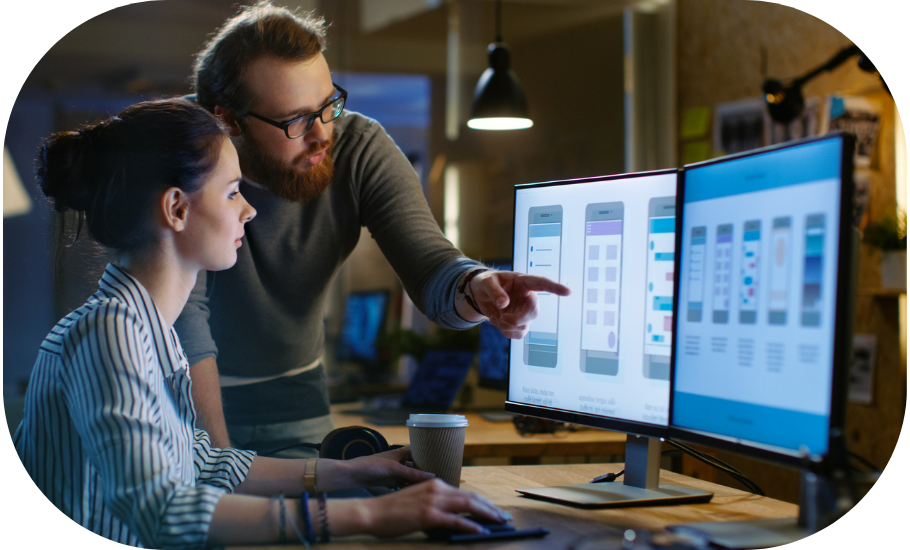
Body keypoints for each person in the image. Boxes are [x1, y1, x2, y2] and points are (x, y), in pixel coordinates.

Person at [14, 98, 510, 548]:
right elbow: (160, 509)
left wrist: (351, 471)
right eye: (232, 193)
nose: (249, 210)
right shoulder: (109, 334)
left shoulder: (145, 329)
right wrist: (370, 514)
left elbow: (206, 465)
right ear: (177, 208)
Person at [176, 0, 570, 454]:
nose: (323, 133)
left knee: (332, 515)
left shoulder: (360, 148)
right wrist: (221, 464)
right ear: (227, 120)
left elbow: (429, 263)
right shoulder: (176, 150)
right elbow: (186, 323)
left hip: (294, 395)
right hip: (181, 392)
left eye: (328, 106)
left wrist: (475, 285)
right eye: (296, 120)